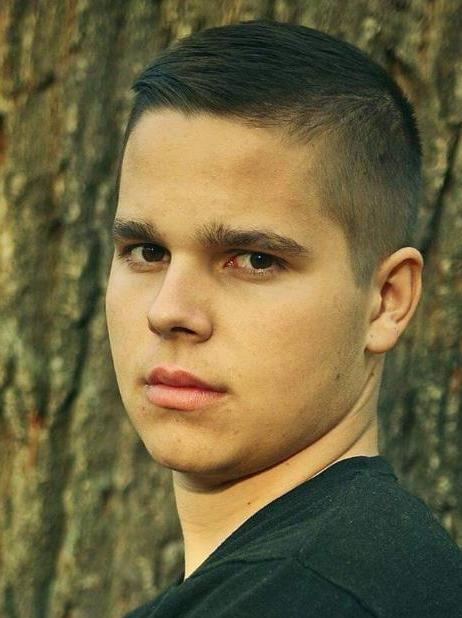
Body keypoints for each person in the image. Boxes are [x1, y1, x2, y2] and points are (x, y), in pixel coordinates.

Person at [105, 19, 462, 618]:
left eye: (254, 260)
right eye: (147, 251)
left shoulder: (321, 596)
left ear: (386, 301)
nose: (168, 311)